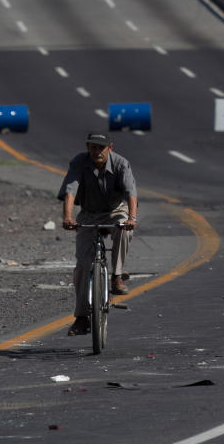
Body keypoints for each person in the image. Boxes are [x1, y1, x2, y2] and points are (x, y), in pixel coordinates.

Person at [58, 132, 138, 337]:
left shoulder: (121, 164)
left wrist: (132, 219)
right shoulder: (79, 162)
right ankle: (82, 318)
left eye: (100, 147)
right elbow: (70, 192)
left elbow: (131, 194)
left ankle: (117, 277)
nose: (96, 151)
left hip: (115, 211)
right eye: (92, 147)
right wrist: (68, 218)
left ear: (109, 147)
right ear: (87, 147)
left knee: (123, 228)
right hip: (88, 214)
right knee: (83, 266)